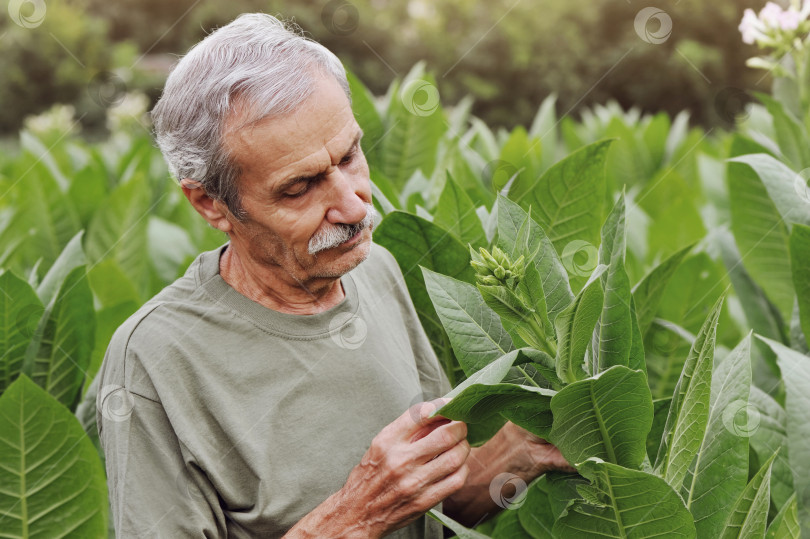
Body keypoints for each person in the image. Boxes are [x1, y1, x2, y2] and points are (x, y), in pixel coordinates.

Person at [96, 13, 572, 538]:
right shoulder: (154, 359)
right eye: (299, 188)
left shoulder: (378, 269)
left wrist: (520, 453)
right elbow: (381, 511)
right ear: (209, 202)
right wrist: (358, 515)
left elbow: (432, 511)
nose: (352, 205)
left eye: (349, 156)